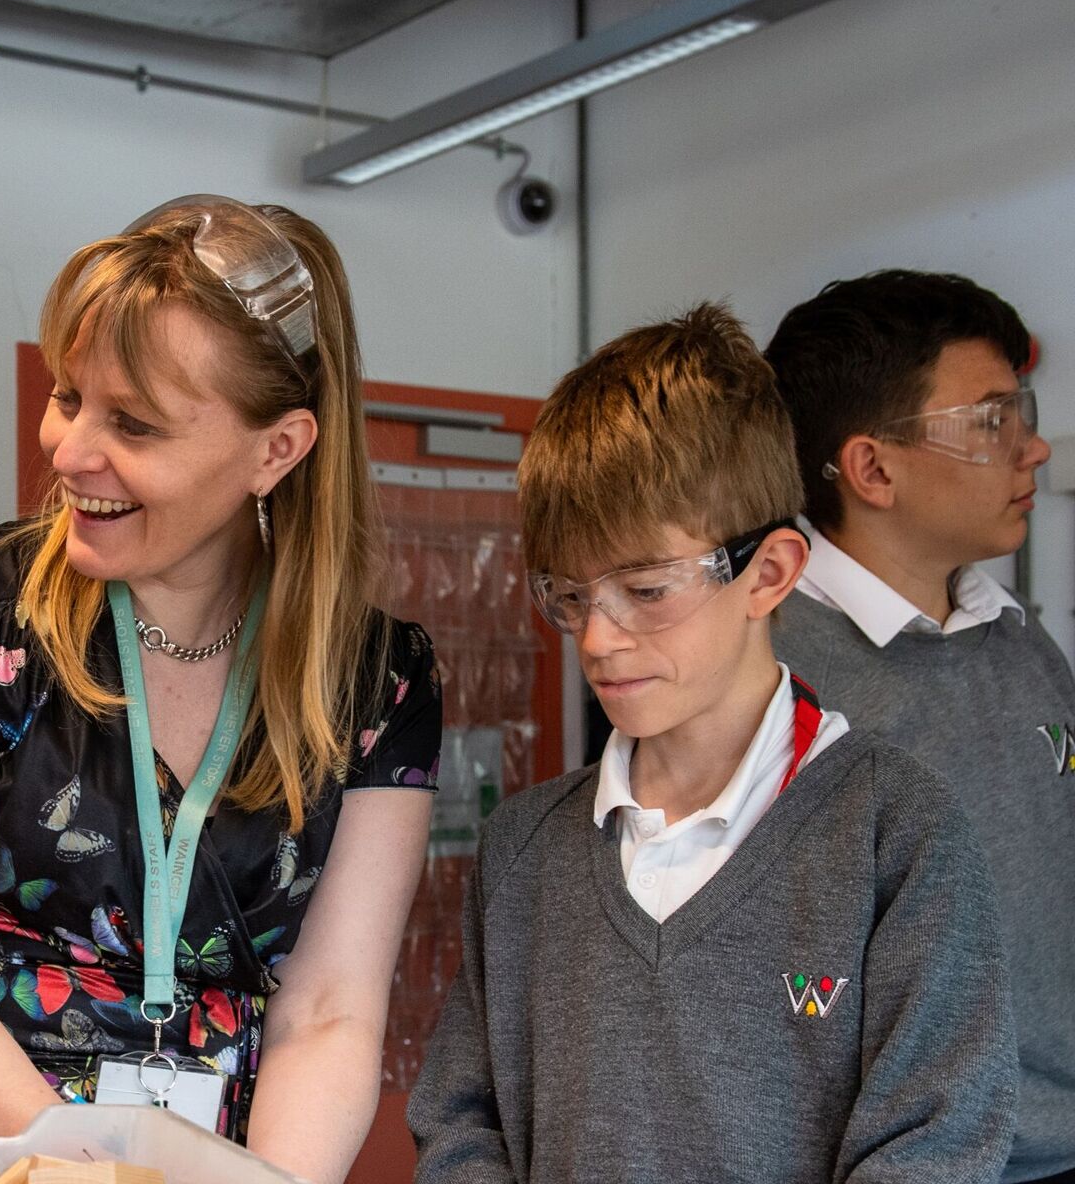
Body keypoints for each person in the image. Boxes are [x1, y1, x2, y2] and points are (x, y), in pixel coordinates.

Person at [0, 195, 441, 1184]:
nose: (67, 451)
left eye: (135, 424)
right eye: (66, 396)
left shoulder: (378, 680)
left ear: (275, 450)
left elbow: (327, 1013)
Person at [407, 304, 1016, 1181]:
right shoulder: (523, 851)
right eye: (571, 598)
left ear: (769, 573)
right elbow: (462, 1123)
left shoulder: (899, 834)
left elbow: (937, 1146)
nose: (599, 640)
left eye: (647, 591)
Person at [766, 269, 1073, 1184]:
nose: (1036, 448)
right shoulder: (765, 669)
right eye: (992, 420)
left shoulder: (1020, 642)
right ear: (872, 468)